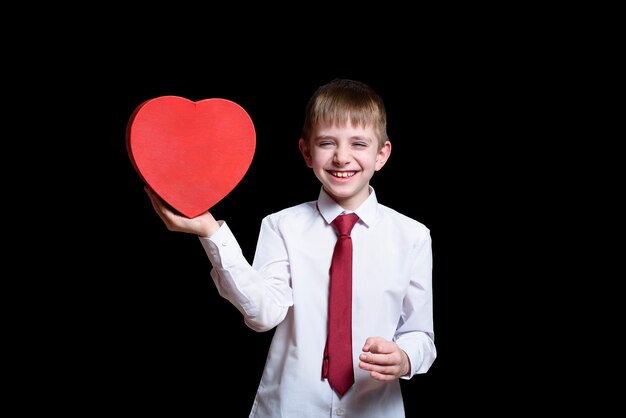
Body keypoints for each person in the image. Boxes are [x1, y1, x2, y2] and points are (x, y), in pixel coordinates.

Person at [144, 78, 436, 417]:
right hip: (289, 408)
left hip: (375, 409)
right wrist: (212, 233)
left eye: (358, 143)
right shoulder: (281, 226)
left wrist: (405, 358)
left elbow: (420, 335)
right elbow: (264, 315)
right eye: (327, 143)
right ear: (307, 153)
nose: (342, 157)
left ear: (381, 154)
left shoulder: (413, 236)